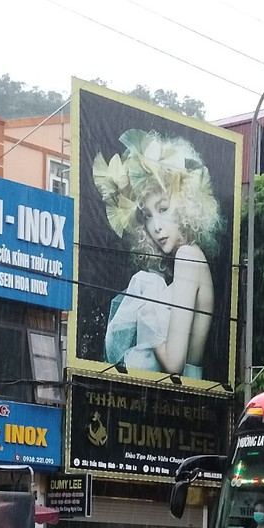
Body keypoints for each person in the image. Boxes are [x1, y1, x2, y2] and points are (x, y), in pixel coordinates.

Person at [91, 128, 223, 378]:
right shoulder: (192, 258)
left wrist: (147, 312)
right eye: (148, 216)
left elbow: (174, 363)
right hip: (187, 394)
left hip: (183, 394)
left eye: (163, 208)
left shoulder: (187, 256)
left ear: (185, 204)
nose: (156, 226)